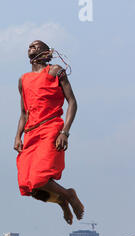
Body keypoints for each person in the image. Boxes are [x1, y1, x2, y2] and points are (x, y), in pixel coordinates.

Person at [14, 40, 84, 225]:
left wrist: (65, 132)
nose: (31, 46)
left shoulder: (55, 71)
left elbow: (73, 103)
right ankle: (62, 202)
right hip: (30, 133)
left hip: (50, 128)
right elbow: (23, 113)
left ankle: (69, 194)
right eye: (29, 45)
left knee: (39, 178)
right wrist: (17, 136)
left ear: (46, 53)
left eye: (37, 45)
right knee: (29, 186)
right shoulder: (23, 80)